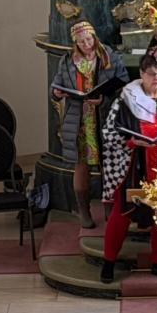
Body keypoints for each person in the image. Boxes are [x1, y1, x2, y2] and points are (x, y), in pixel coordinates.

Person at [99, 55, 157, 283]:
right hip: (135, 165)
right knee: (123, 213)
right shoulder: (125, 99)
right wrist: (131, 141)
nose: (156, 78)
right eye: (151, 74)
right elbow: (109, 132)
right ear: (141, 75)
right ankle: (108, 262)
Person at [53, 20, 123, 228]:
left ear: (95, 37)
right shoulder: (67, 61)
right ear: (75, 43)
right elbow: (56, 85)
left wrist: (104, 99)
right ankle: (84, 211)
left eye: (89, 39)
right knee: (81, 166)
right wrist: (56, 92)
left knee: (109, 165)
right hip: (80, 121)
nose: (86, 44)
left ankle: (111, 210)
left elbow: (123, 84)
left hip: (105, 118)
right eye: (81, 41)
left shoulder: (109, 56)